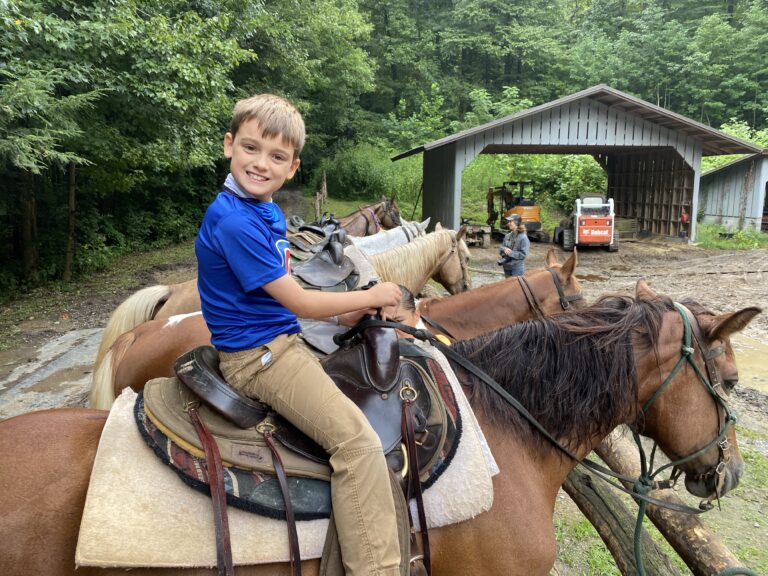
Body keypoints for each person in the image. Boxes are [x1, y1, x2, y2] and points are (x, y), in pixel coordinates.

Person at [195, 94, 402, 576]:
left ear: (292, 168)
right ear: (229, 145)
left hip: (275, 340)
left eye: (277, 156)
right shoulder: (235, 220)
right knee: (357, 443)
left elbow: (274, 299)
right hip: (259, 358)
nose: (260, 164)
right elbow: (300, 302)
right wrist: (371, 294)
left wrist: (342, 319)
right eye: (250, 148)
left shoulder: (263, 210)